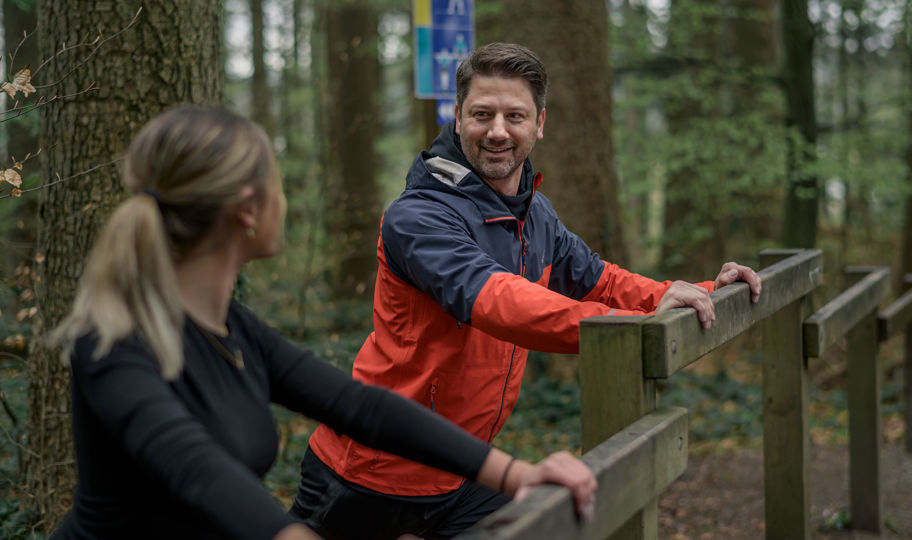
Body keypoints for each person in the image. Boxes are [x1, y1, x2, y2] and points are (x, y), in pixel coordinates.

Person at [47, 106, 596, 540]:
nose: (284, 201)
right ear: (248, 210)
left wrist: (513, 473)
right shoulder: (112, 345)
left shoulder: (233, 329)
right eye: (276, 183)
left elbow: (361, 407)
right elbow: (195, 470)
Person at [291, 42, 763, 540]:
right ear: (457, 118)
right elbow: (497, 301)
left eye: (514, 115)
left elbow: (599, 279)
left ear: (539, 123)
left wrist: (699, 290)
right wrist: (624, 328)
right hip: (371, 471)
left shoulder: (534, 214)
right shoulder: (418, 217)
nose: (498, 131)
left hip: (462, 471)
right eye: (482, 114)